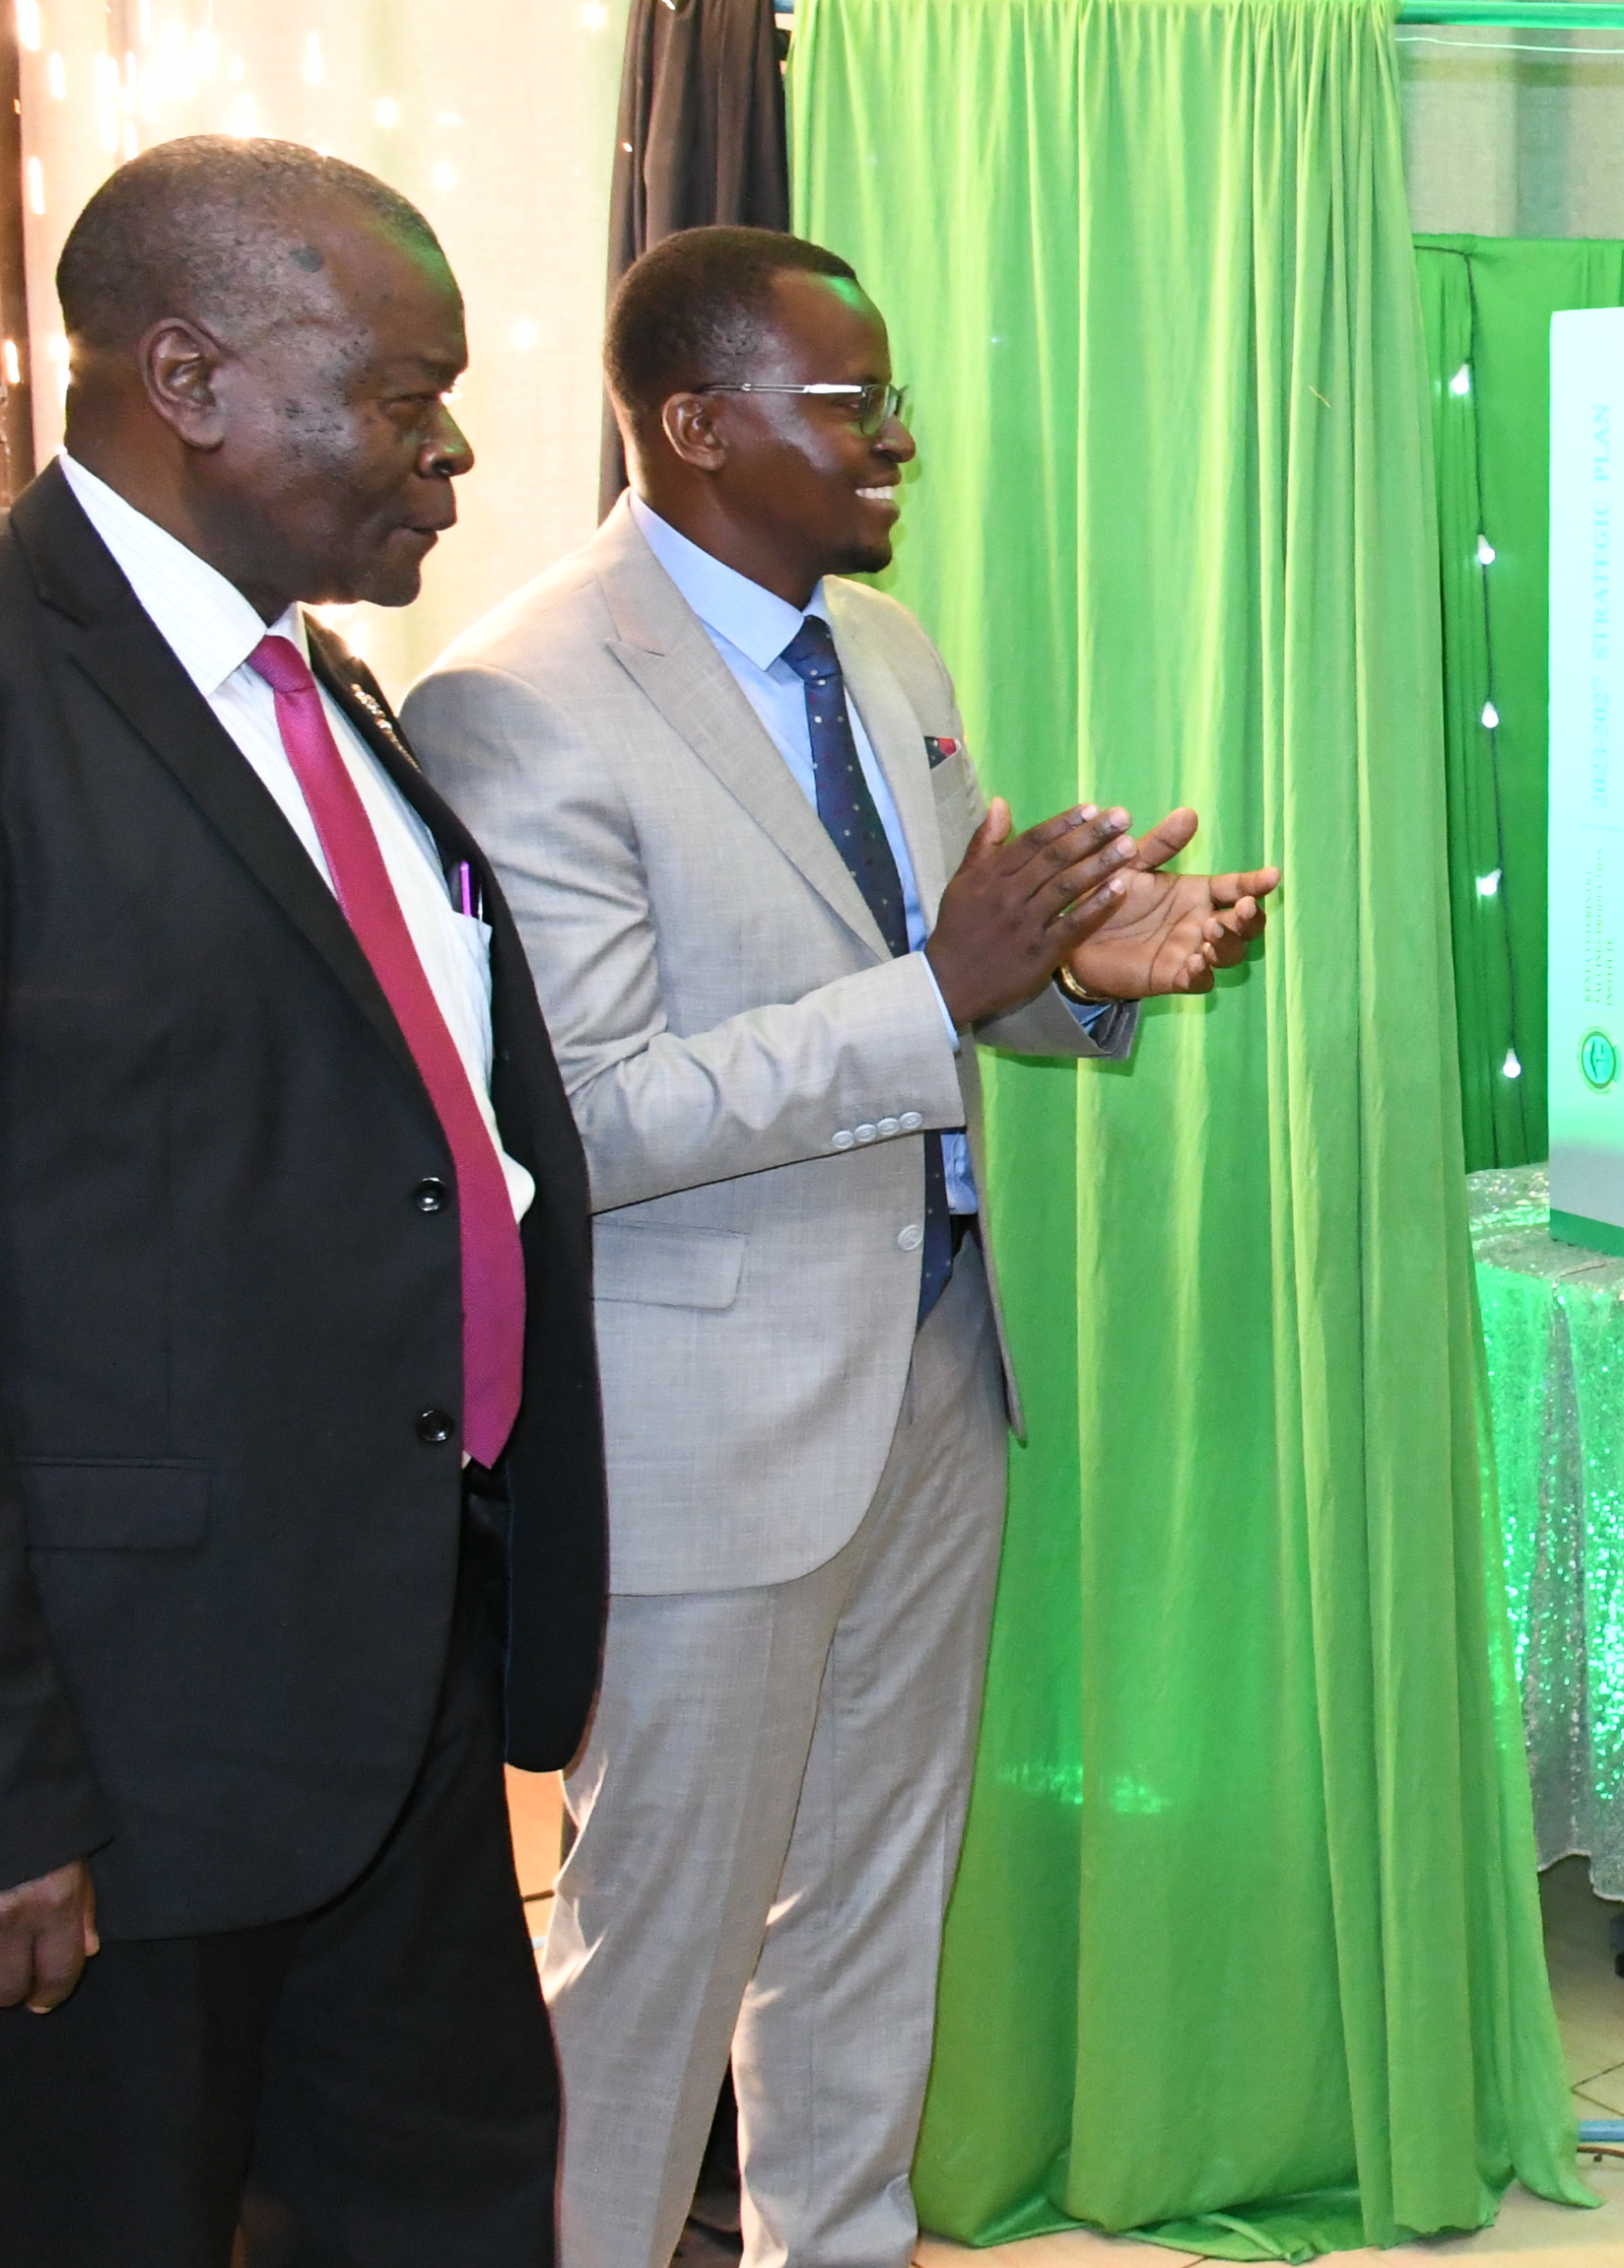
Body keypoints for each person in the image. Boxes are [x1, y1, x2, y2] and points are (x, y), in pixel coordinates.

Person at [402, 227, 1278, 2268]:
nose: (896, 443)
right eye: (849, 403)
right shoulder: (518, 700)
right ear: (696, 427)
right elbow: (589, 1119)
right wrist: (948, 986)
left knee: (878, 1902)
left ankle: (843, 2241)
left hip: (938, 1367)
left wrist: (1088, 974)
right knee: (659, 1947)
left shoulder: (889, 653)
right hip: (709, 1418)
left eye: (895, 401)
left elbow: (949, 982)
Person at [0, 136, 607, 2259]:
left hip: (395, 1691)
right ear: (188, 377)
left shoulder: (325, 695)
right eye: (400, 388)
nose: (445, 451)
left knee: (449, 2211)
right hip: (122, 1760)